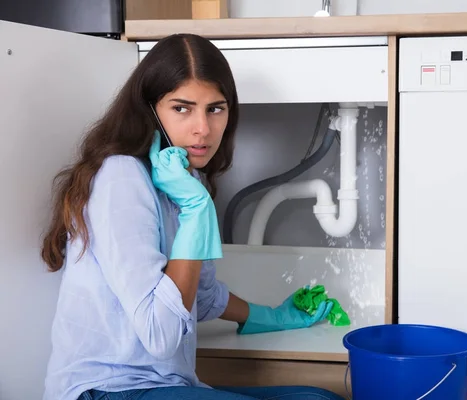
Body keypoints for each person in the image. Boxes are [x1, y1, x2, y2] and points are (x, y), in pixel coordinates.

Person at [40, 33, 342, 400]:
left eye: (215, 108)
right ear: (150, 110)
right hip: (108, 390)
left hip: (168, 385)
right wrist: (197, 210)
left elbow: (197, 295)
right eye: (181, 108)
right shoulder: (121, 177)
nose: (203, 128)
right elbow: (161, 334)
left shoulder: (184, 177)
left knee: (320, 398)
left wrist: (271, 316)